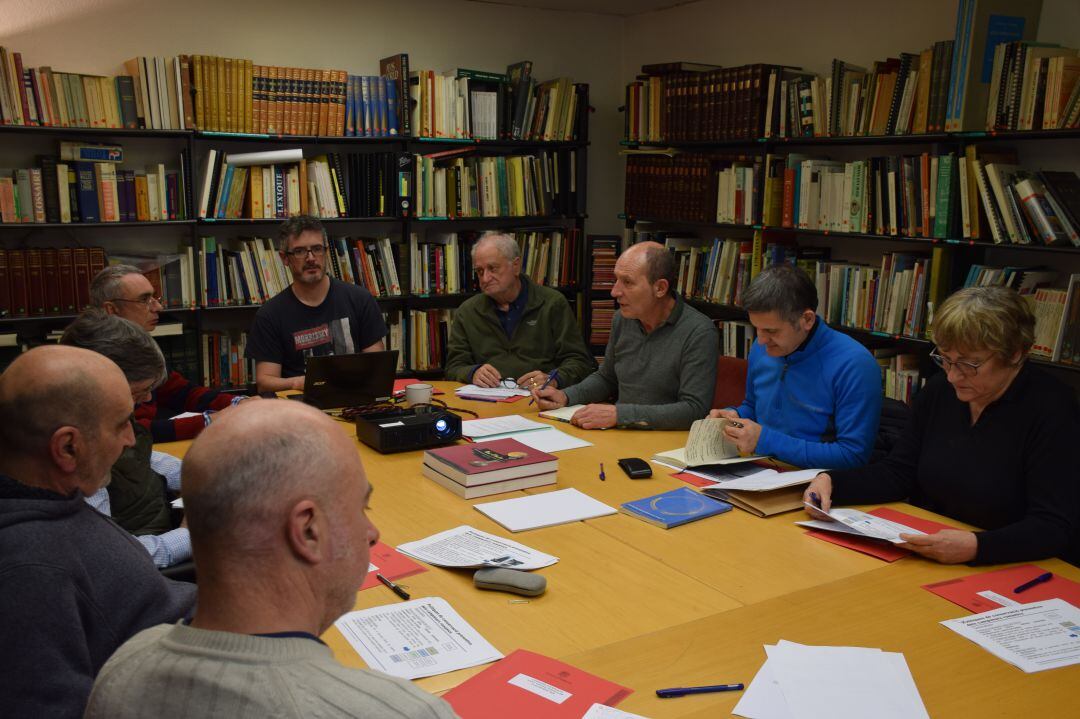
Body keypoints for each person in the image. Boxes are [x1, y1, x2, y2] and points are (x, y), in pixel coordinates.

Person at [85, 399, 458, 718]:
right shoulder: (404, 711)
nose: (372, 533)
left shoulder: (121, 671)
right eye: (362, 507)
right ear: (308, 530)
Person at [804, 287, 1080, 566]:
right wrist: (833, 481)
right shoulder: (940, 392)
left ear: (1015, 354)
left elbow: (1053, 525)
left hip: (1015, 566)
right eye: (945, 359)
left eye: (970, 364)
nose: (953, 375)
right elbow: (900, 472)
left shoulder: (1053, 409)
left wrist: (977, 546)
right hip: (935, 553)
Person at [0, 346, 196, 719]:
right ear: (68, 447)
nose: (129, 441)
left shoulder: (56, 502)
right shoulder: (29, 574)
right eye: (122, 423)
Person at [710, 264, 882, 469]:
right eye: (756, 328)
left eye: (771, 331)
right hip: (759, 469)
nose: (761, 340)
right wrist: (734, 416)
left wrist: (764, 441)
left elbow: (852, 456)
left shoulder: (854, 365)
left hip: (814, 481)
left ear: (807, 319)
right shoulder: (762, 347)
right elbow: (754, 407)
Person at [533, 241, 717, 430]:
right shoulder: (623, 318)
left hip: (666, 443)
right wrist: (566, 396)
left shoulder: (698, 331)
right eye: (616, 280)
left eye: (627, 282)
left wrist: (620, 415)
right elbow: (607, 378)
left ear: (660, 288)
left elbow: (694, 410)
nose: (615, 292)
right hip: (623, 432)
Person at [60, 309, 191, 568]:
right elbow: (113, 556)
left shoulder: (101, 414)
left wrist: (199, 474)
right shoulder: (79, 452)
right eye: (138, 391)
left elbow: (140, 456)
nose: (148, 400)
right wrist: (189, 535)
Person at [92, 264, 245, 442]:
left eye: (155, 297)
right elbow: (132, 430)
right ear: (111, 310)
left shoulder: (139, 345)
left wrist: (238, 403)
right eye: (144, 300)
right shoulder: (98, 360)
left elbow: (182, 392)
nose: (158, 307)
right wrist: (210, 422)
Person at [246, 215, 388, 393]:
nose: (311, 258)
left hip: (354, 401)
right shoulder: (270, 315)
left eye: (317, 249)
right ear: (284, 258)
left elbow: (378, 368)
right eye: (299, 251)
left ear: (326, 252)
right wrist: (300, 383)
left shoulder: (360, 300)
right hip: (301, 409)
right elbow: (265, 382)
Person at [445, 231, 595, 390]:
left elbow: (579, 362)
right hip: (488, 402)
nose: (485, 279)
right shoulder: (468, 311)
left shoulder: (552, 303)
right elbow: (453, 367)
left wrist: (553, 378)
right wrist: (472, 373)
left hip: (539, 398)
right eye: (480, 271)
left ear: (515, 266)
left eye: (492, 268)